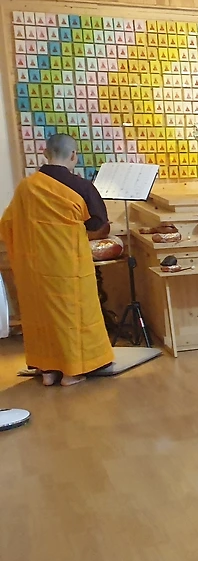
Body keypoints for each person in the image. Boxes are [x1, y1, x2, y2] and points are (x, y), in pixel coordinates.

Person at [0, 134, 113, 386]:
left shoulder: (26, 187)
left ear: (44, 153)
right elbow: (98, 223)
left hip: (34, 267)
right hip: (68, 265)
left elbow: (8, 223)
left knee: (42, 316)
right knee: (72, 316)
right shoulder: (81, 187)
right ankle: (72, 372)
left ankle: (48, 371)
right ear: (74, 155)